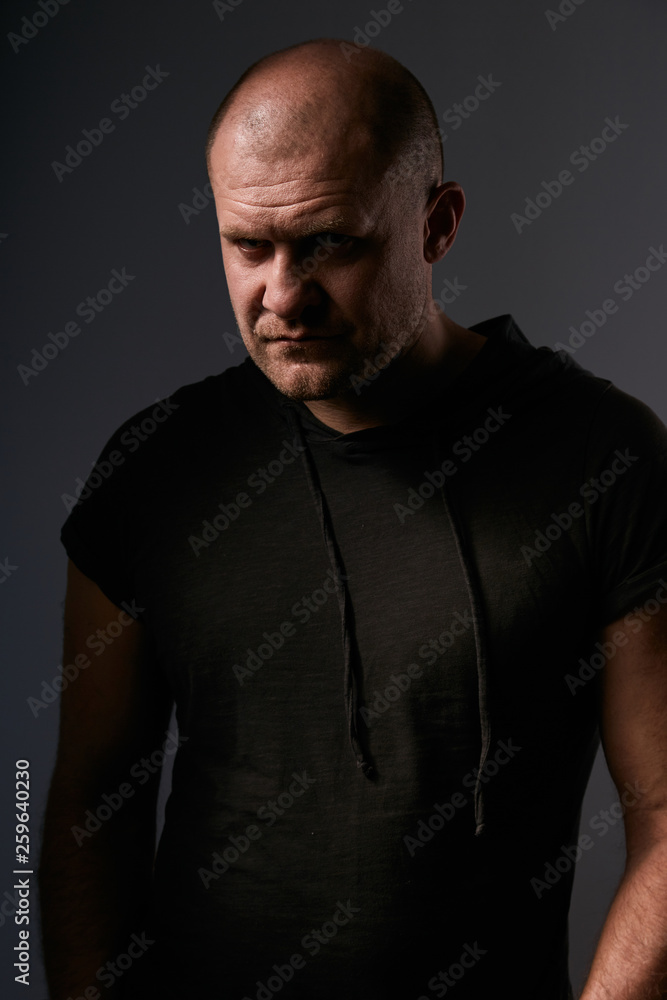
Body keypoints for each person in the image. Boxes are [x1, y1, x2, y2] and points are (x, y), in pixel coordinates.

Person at [39, 38, 667, 1000]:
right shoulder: (155, 468)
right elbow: (86, 809)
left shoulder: (604, 457)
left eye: (329, 241)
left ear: (437, 223)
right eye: (248, 246)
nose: (280, 296)